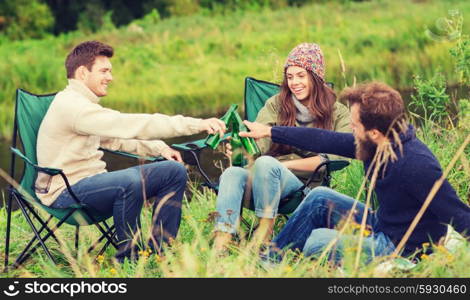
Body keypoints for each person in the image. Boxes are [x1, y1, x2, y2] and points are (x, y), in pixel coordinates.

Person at [35, 40, 226, 262]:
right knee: (129, 182)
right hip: (65, 191)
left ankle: (160, 249)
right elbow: (133, 123)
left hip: (93, 182)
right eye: (104, 71)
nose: (110, 77)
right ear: (82, 73)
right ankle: (129, 257)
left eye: (110, 71)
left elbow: (115, 140)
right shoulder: (73, 107)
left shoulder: (83, 106)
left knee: (174, 171)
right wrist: (196, 124)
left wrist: (159, 147)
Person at [239, 81, 470, 263]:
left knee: (317, 243)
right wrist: (270, 131)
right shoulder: (376, 144)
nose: (351, 129)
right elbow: (324, 140)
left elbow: (458, 215)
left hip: (400, 249)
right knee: (319, 197)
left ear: (374, 132)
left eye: (355, 126)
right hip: (382, 224)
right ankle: (271, 261)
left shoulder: (417, 165)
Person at [213, 43, 350, 250]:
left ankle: (264, 236)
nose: (294, 82)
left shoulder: (337, 112)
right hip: (263, 177)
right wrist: (242, 146)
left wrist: (284, 167)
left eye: (301, 76)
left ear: (316, 77)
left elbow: (339, 156)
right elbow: (260, 141)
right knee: (232, 173)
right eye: (290, 76)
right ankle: (222, 243)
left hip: (303, 185)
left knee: (268, 164)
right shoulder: (276, 104)